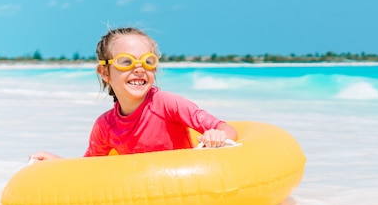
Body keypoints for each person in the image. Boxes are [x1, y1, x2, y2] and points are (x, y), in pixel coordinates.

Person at [30, 27, 237, 160]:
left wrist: (217, 135)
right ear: (104, 72)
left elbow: (225, 128)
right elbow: (90, 169)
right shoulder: (105, 126)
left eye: (148, 61)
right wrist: (58, 163)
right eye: (126, 62)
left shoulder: (167, 104)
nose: (139, 69)